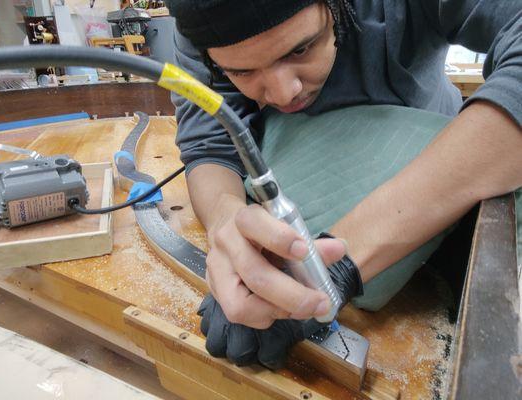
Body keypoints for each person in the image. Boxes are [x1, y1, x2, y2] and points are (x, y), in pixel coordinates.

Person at [166, 0, 522, 369]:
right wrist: (227, 224)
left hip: (442, 172)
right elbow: (207, 142)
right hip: (301, 165)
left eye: (301, 48)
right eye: (241, 71)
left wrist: (335, 269)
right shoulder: (196, 23)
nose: (284, 92)